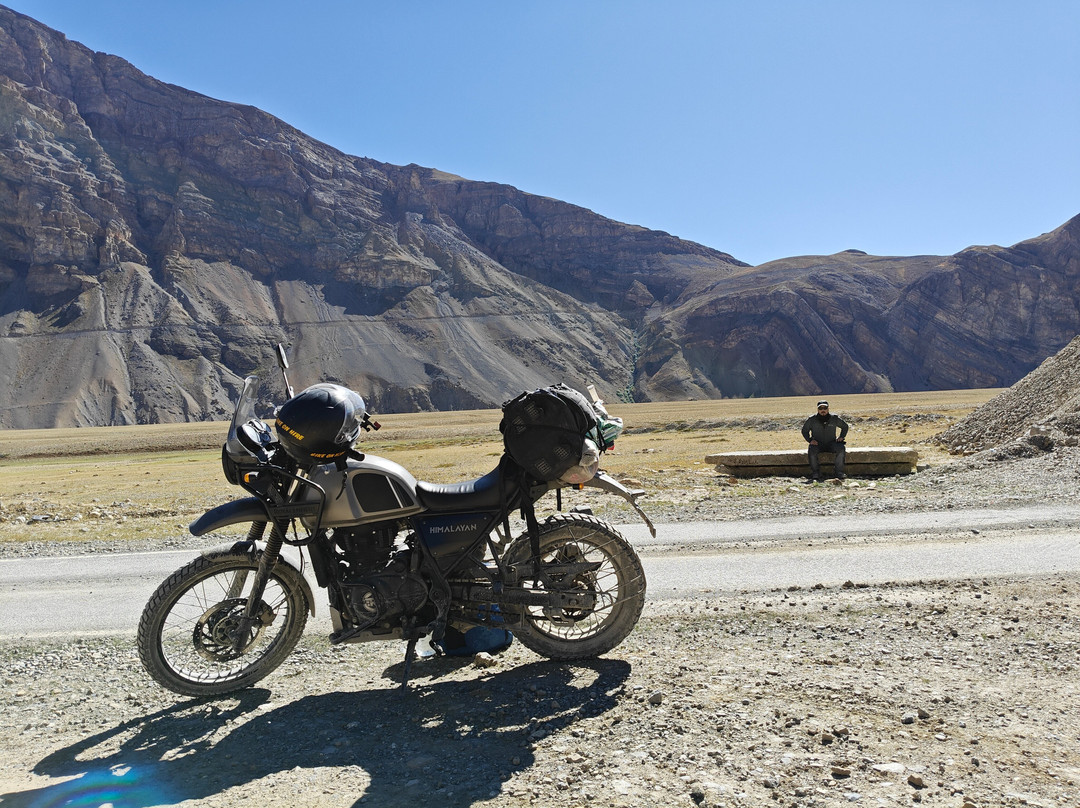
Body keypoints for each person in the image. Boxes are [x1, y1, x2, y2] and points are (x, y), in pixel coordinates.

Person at [801, 400, 849, 482]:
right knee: (811, 450)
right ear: (817, 409)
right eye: (820, 408)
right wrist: (810, 440)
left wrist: (841, 437)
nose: (823, 410)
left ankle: (839, 472)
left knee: (841, 448)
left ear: (828, 408)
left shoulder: (834, 418)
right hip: (817, 444)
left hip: (831, 443)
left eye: (825, 408)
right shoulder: (812, 419)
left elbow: (845, 426)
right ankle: (816, 473)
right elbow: (804, 430)